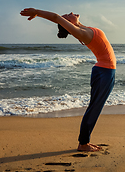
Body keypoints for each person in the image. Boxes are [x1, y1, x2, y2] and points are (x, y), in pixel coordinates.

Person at [20, 8, 116, 152]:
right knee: (94, 108)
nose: (70, 12)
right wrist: (37, 12)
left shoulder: (83, 29)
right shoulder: (82, 33)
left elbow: (60, 20)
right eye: (67, 15)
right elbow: (56, 17)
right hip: (104, 72)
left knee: (95, 107)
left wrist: (65, 20)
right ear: (68, 22)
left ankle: (84, 141)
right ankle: (83, 143)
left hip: (105, 71)